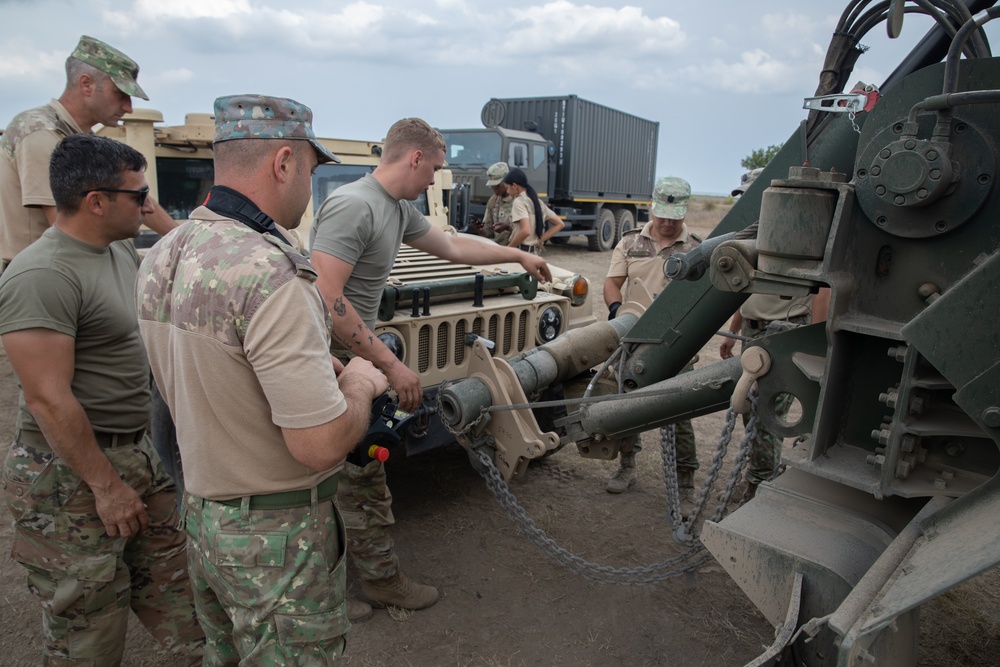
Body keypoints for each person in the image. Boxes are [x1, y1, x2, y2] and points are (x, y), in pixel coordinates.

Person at [136, 94, 389, 663]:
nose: (309, 187)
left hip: (203, 520)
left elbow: (202, 373)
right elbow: (318, 443)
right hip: (275, 538)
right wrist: (362, 384)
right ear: (283, 163)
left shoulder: (163, 252)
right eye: (311, 170)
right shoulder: (271, 271)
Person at [309, 117, 551, 621]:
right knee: (350, 474)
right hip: (326, 361)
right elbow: (325, 294)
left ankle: (345, 586)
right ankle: (366, 585)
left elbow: (453, 245)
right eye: (435, 168)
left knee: (344, 474)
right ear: (414, 157)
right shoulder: (355, 205)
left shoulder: (395, 208)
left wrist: (516, 256)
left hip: (351, 357)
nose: (436, 178)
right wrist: (391, 363)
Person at [0, 134, 204, 665]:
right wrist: (107, 487)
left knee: (180, 595)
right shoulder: (42, 275)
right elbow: (47, 399)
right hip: (71, 475)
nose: (149, 205)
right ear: (96, 201)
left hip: (134, 452)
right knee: (88, 626)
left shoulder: (115, 250)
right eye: (139, 195)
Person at [0, 35, 180, 493]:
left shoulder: (85, 144)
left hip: (86, 278)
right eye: (120, 93)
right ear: (85, 84)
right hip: (51, 291)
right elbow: (68, 224)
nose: (127, 105)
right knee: (65, 401)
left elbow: (137, 204)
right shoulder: (41, 133)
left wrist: (186, 239)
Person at [720, 168, 829, 502]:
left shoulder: (798, 232)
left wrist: (817, 338)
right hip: (753, 330)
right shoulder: (753, 238)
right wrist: (734, 328)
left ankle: (759, 483)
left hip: (785, 331)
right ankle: (759, 473)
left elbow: (821, 289)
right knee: (751, 407)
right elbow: (744, 286)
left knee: (768, 410)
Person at [603, 177, 701, 507]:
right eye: (663, 215)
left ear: (685, 211)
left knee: (679, 411)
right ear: (652, 208)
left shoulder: (698, 249)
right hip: (634, 339)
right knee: (628, 406)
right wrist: (619, 312)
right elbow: (613, 283)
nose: (668, 222)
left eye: (675, 215)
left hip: (677, 343)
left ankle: (685, 484)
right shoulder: (630, 243)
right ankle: (627, 467)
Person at [503, 167, 564, 252]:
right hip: (533, 252)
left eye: (507, 188)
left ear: (514, 186)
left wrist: (509, 248)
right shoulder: (538, 202)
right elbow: (559, 224)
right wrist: (539, 241)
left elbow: (526, 231)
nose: (507, 192)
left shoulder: (519, 201)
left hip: (521, 251)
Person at [476, 161, 514, 245]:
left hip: (517, 251)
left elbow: (527, 230)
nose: (494, 189)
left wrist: (507, 227)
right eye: (492, 186)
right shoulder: (493, 201)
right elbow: (490, 232)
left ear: (506, 181)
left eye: (497, 185)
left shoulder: (518, 199)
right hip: (500, 249)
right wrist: (481, 230)